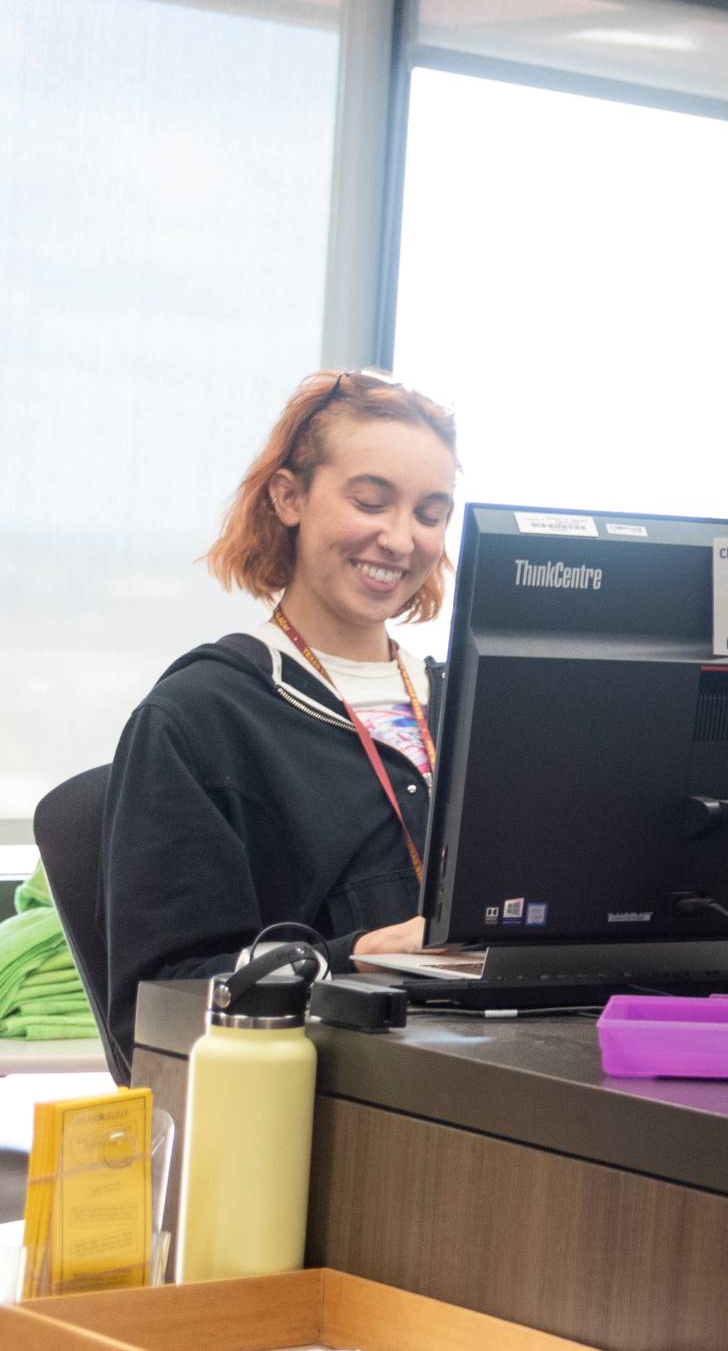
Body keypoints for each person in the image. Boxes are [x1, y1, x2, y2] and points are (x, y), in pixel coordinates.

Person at [97, 372, 458, 1054]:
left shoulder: (465, 705)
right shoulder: (198, 718)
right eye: (371, 501)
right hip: (328, 1101)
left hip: (489, 1070)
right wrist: (355, 956)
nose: (401, 539)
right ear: (289, 497)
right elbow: (159, 1005)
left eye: (430, 514)